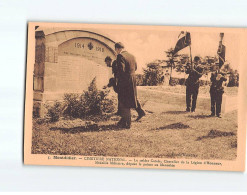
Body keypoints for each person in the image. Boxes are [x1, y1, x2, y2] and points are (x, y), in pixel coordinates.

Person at [115, 42, 145, 129]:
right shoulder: (132, 56)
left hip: (125, 81)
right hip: (133, 79)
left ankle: (127, 123)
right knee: (131, 98)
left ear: (117, 49)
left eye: (116, 50)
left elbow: (121, 71)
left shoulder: (120, 56)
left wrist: (119, 81)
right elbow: (135, 68)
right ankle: (124, 120)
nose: (117, 52)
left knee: (124, 101)